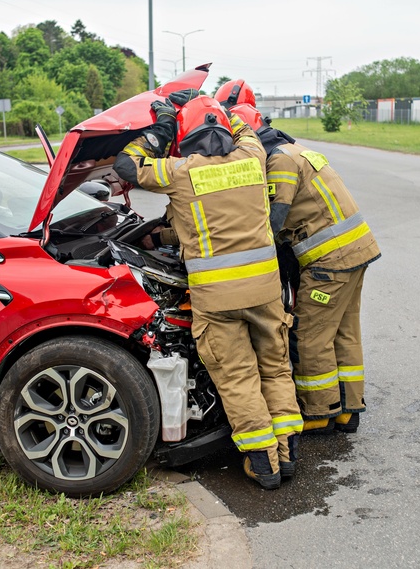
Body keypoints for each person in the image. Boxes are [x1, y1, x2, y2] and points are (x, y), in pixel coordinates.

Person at [114, 91, 303, 489]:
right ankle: (286, 453)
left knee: (238, 377)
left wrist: (161, 126)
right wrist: (212, 103)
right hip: (266, 292)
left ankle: (262, 464)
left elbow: (127, 165)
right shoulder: (252, 157)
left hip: (218, 300)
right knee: (275, 366)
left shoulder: (179, 171)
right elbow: (243, 127)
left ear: (186, 138)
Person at [229, 100, 381, 435]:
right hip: (354, 252)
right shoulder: (294, 148)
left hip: (330, 261)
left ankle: (319, 413)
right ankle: (347, 410)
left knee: (310, 336)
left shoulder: (278, 160)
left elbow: (274, 216)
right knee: (343, 332)